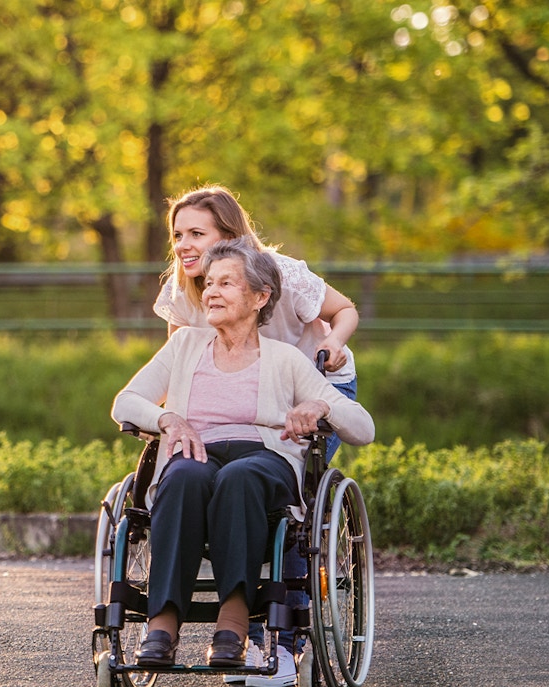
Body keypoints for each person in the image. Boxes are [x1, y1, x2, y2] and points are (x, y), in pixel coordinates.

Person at [111, 239, 375, 671]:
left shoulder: (286, 359)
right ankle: (162, 623)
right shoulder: (184, 345)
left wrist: (321, 406)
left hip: (264, 458)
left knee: (240, 477)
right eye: (209, 283)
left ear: (260, 297)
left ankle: (232, 623)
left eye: (226, 284)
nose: (211, 292)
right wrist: (167, 418)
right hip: (197, 452)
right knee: (182, 476)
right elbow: (125, 402)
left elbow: (363, 427)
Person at [154, 184, 361, 685]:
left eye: (196, 233)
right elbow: (180, 371)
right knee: (201, 478)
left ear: (229, 233)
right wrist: (173, 423)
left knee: (285, 508)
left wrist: (333, 343)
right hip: (236, 403)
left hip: (312, 385)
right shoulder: (183, 289)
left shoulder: (280, 272)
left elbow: (345, 310)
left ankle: (284, 642)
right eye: (177, 235)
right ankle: (217, 629)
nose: (183, 245)